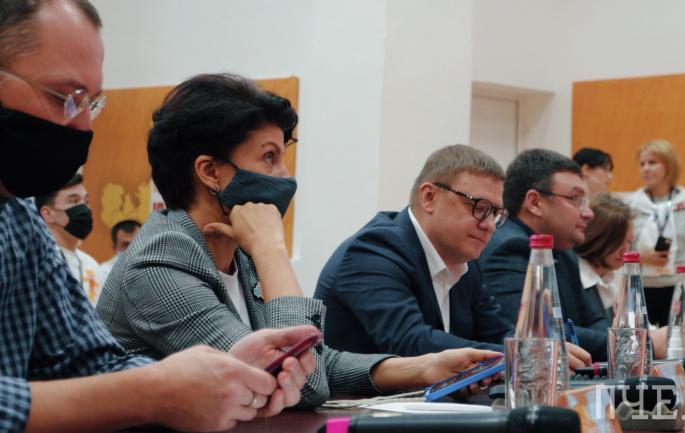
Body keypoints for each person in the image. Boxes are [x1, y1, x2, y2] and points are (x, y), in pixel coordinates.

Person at [96, 74, 503, 409]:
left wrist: (424, 367)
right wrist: (271, 250)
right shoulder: (159, 265)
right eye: (269, 157)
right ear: (210, 172)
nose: (285, 176)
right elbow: (293, 385)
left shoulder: (238, 253)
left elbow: (316, 362)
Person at [0, 1, 316, 431]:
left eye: (91, 103)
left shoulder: (18, 219)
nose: (83, 127)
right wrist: (154, 392)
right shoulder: (162, 256)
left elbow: (85, 362)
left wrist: (224, 369)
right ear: (208, 172)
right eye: (65, 98)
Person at [315, 144, 591, 368]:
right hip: (354, 411)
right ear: (429, 197)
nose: (490, 225)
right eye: (480, 207)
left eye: (496, 214)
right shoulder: (374, 250)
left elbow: (499, 333)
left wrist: (537, 348)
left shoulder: (465, 264)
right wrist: (525, 355)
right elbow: (411, 343)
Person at [478, 149, 613, 360]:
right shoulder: (507, 249)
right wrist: (629, 343)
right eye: (576, 199)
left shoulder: (563, 249)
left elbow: (595, 319)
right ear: (534, 202)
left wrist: (617, 343)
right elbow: (534, 333)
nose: (588, 213)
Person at [626, 139, 685, 325]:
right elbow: (621, 251)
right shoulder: (630, 205)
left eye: (652, 162)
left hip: (680, 287)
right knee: (642, 341)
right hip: (641, 288)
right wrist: (643, 258)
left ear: (669, 166)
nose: (646, 169)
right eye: (642, 164)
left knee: (680, 342)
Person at [35, 173, 106, 304]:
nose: (84, 208)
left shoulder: (91, 265)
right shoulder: (38, 263)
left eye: (86, 201)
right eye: (74, 201)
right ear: (47, 213)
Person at [574, 193, 634, 320]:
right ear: (598, 238)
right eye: (618, 242)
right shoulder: (574, 278)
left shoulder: (616, 274)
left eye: (629, 242)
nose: (625, 252)